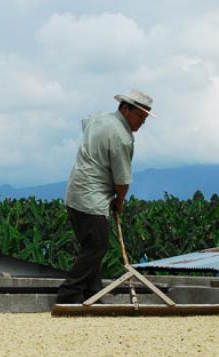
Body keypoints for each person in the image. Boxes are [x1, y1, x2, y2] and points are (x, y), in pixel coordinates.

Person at [55, 89, 154, 305]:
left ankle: (92, 293)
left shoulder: (99, 118)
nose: (141, 123)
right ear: (125, 108)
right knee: (97, 248)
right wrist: (119, 203)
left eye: (145, 119)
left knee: (92, 247)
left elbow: (86, 124)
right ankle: (69, 294)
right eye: (139, 116)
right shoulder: (122, 138)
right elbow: (122, 181)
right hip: (92, 198)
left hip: (75, 195)